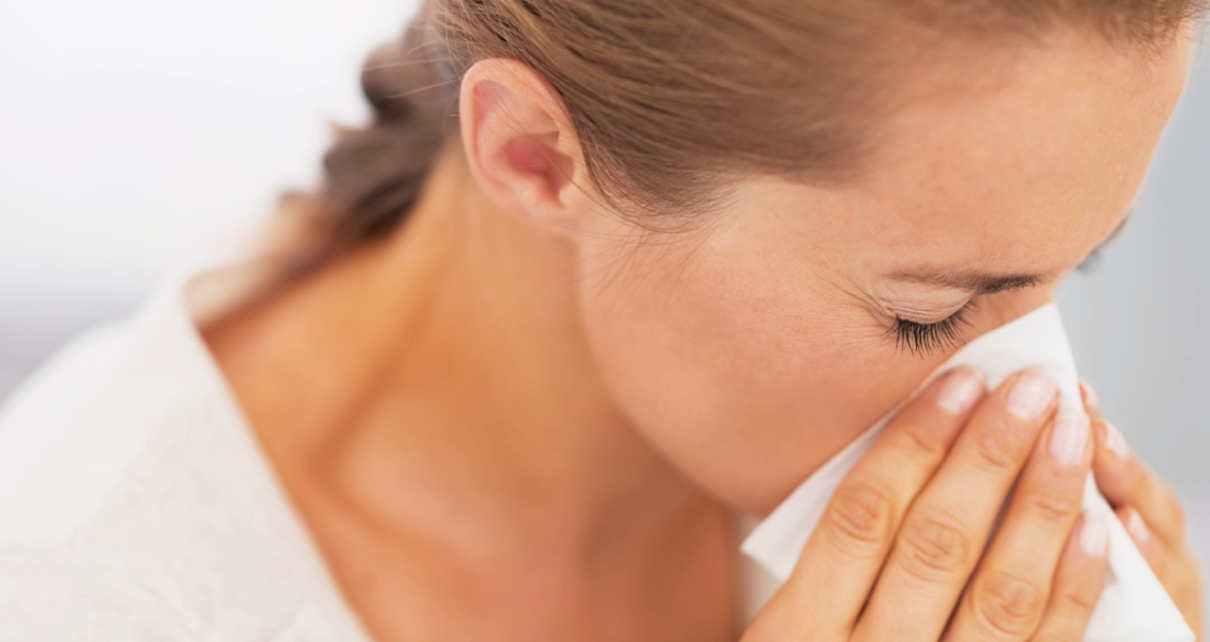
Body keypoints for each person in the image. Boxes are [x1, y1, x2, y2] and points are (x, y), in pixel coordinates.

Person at [0, 0, 1205, 640]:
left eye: (1080, 264)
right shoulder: (80, 599)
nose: (1038, 400)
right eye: (924, 317)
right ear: (533, 157)